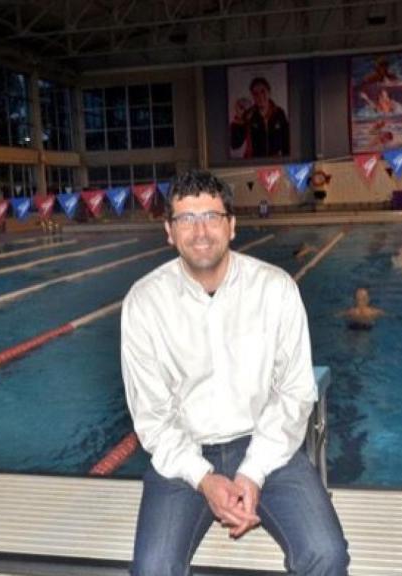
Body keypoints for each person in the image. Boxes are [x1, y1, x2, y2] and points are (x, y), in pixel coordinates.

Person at [121, 170, 349, 575]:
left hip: (267, 447)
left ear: (232, 224)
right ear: (169, 231)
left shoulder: (275, 289)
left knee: (326, 553)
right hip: (183, 456)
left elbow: (295, 393)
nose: (200, 231)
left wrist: (253, 471)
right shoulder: (144, 302)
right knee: (152, 568)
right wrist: (204, 479)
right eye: (186, 219)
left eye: (211, 216)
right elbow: (152, 417)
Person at [230, 77, 290, 158]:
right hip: (253, 164)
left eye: (263, 91)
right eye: (256, 93)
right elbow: (235, 144)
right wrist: (239, 116)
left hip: (275, 163)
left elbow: (286, 144)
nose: (260, 96)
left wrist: (286, 164)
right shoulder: (248, 115)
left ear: (269, 92)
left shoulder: (279, 113)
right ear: (252, 96)